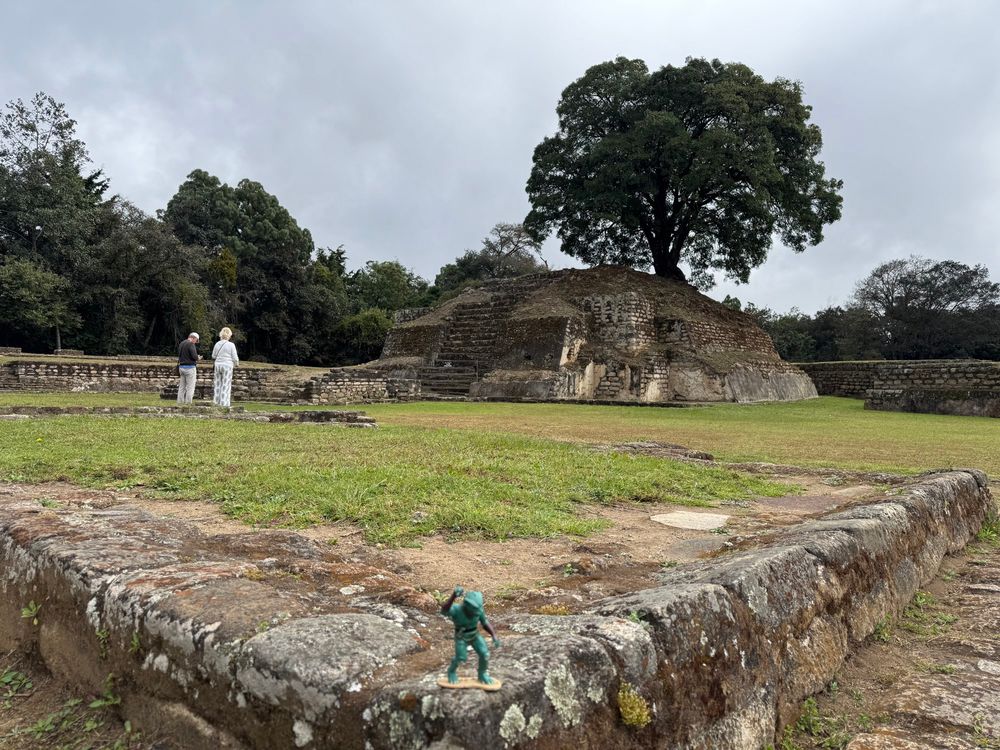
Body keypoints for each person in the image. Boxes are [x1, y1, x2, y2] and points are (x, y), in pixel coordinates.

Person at [440, 586, 500, 686]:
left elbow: (485, 623)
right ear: (466, 604)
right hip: (461, 637)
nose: (476, 611)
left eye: (477, 608)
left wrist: (494, 635)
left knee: (485, 654)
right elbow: (444, 611)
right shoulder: (456, 609)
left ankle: (482, 674)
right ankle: (451, 671)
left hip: (474, 635)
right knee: (461, 658)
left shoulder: (478, 610)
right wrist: (453, 596)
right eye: (473, 608)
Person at [211, 327, 240, 407]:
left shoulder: (217, 344)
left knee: (217, 384)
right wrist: (236, 364)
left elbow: (213, 356)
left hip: (218, 365)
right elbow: (234, 357)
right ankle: (224, 404)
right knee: (225, 385)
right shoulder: (231, 345)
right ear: (229, 335)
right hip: (227, 365)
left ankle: (216, 403)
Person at [176, 332, 201, 405]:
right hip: (190, 368)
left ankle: (180, 402)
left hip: (181, 367)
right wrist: (198, 358)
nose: (196, 342)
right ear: (193, 338)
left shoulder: (182, 343)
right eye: (196, 340)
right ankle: (188, 403)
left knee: (182, 386)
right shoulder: (191, 344)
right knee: (190, 387)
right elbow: (194, 356)